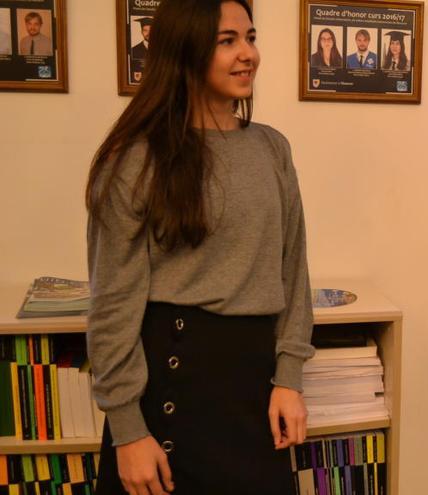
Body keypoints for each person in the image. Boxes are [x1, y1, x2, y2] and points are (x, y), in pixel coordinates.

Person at [85, 1, 314, 494]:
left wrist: (289, 376)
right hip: (170, 385)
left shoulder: (272, 148)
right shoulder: (136, 157)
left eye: (250, 38)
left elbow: (293, 270)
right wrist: (127, 431)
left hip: (255, 384)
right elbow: (112, 304)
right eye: (226, 41)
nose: (247, 53)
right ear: (183, 51)